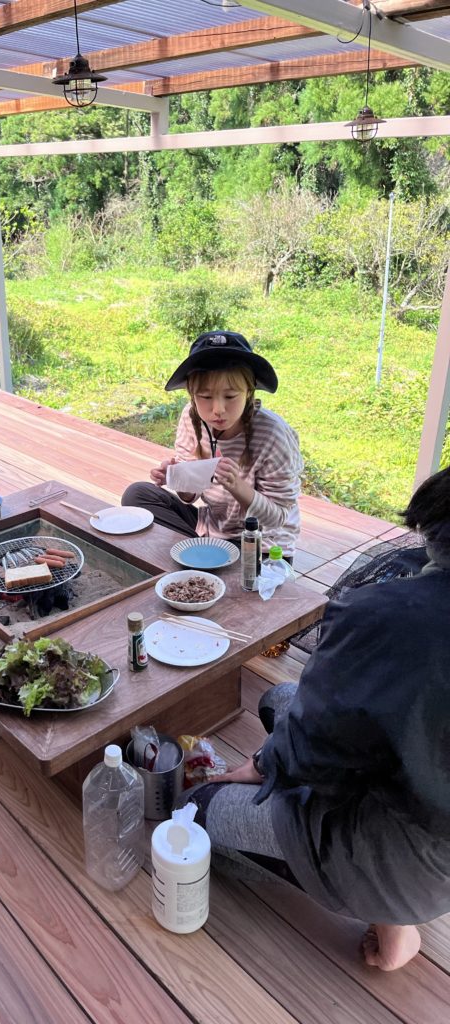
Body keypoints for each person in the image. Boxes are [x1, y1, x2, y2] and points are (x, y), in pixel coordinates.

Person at [185, 464, 450, 971]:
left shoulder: (392, 615)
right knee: (280, 696)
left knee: (197, 810)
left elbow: (323, 736)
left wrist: (263, 765)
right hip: (416, 796)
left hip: (404, 855)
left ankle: (391, 917)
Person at [122, 330, 303, 558]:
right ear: (192, 394)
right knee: (137, 494)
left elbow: (276, 519)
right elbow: (189, 496)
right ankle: (203, 555)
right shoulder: (192, 417)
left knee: (235, 573)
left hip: (262, 542)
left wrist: (236, 486)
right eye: (205, 397)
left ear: (249, 393)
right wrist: (177, 477)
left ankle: (198, 557)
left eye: (230, 396)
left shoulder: (272, 433)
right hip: (212, 527)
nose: (218, 409)